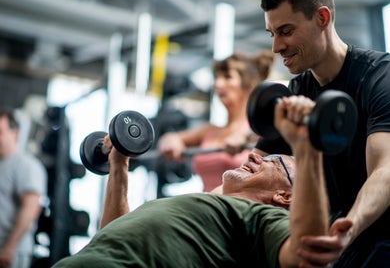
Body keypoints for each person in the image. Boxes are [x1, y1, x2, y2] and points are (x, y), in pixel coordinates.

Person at [51, 97, 349, 268]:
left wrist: (306, 148)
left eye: (272, 162)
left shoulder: (259, 220)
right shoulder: (203, 205)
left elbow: (304, 255)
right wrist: (119, 164)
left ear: (284, 197)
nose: (256, 157)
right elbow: (113, 231)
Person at [255, 0, 390, 266]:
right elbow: (255, 169)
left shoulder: (380, 77)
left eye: (286, 31)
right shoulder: (298, 91)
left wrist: (349, 226)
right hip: (333, 243)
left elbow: (385, 171)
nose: (276, 46)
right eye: (273, 34)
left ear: (322, 18)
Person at [158, 51, 275, 192]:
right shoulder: (210, 131)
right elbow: (171, 137)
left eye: (227, 77)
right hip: (206, 208)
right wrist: (170, 140)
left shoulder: (260, 129)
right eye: (217, 77)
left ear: (249, 84)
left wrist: (246, 137)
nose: (217, 84)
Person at [0, 108, 47, 268]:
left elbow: (31, 208)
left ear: (15, 133)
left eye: (0, 132)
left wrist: (9, 247)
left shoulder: (27, 166)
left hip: (11, 253)